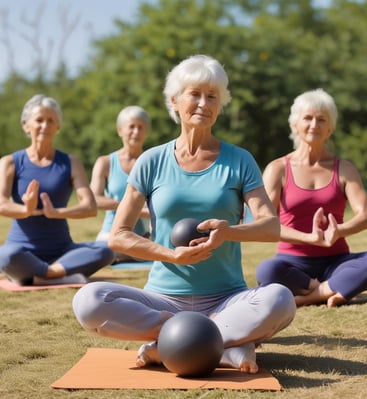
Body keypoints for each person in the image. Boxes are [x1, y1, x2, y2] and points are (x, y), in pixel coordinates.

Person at [72, 55, 296, 374]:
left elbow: (270, 227)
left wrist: (227, 231)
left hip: (226, 301)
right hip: (163, 301)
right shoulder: (151, 161)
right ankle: (216, 345)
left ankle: (172, 346)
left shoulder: (240, 160)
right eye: (195, 94)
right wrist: (169, 255)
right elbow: (119, 235)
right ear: (175, 101)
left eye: (212, 96)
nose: (203, 103)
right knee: (88, 301)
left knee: (280, 299)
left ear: (220, 105)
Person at [256, 88, 367, 308]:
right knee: (266, 270)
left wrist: (339, 230)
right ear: (295, 124)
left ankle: (310, 297)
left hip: (337, 260)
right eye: (308, 118)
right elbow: (264, 224)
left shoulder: (344, 169)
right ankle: (331, 289)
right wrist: (309, 238)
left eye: (321, 120)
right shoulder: (277, 169)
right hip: (292, 263)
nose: (314, 125)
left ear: (330, 128)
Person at [0, 94, 114, 286]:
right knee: (6, 255)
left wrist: (56, 213)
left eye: (50, 120)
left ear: (58, 126)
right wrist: (26, 210)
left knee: (106, 250)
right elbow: (1, 203)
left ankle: (44, 275)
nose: (45, 125)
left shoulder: (70, 162)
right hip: (21, 250)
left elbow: (90, 207)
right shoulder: (10, 162)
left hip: (62, 251)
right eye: (39, 120)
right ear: (26, 125)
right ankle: (57, 274)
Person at [90, 106, 151, 263]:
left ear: (146, 132)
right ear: (120, 131)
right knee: (103, 252)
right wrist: (129, 207)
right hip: (110, 234)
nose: (136, 132)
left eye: (140, 127)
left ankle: (129, 254)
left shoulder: (152, 163)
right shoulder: (105, 162)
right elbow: (94, 200)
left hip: (141, 236)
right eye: (131, 126)